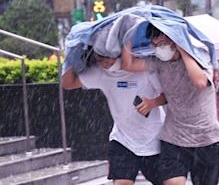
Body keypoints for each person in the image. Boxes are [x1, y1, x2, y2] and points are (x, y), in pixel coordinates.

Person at [121, 24, 219, 185]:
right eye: (154, 45)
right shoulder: (159, 62)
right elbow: (128, 65)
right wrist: (128, 35)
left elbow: (200, 82)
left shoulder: (200, 56)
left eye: (162, 44)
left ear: (174, 40)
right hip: (174, 137)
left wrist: (183, 49)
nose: (159, 49)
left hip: (205, 138)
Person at [62, 47, 167, 185]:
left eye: (109, 57)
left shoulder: (144, 68)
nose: (105, 62)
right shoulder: (100, 73)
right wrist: (72, 54)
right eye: (100, 58)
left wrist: (152, 103)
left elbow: (169, 95)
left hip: (154, 140)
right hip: (122, 140)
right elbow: (68, 84)